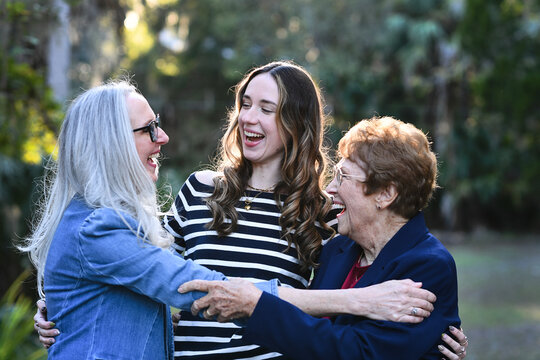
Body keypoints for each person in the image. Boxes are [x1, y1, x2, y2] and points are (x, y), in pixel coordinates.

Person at [33, 63, 467, 359]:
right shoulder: (199, 191)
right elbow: (144, 265)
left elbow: (347, 299)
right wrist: (59, 306)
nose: (248, 117)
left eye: (266, 108)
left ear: (294, 123)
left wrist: (429, 343)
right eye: (244, 103)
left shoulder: (322, 212)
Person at [18, 80, 278, 359]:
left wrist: (64, 304)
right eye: (149, 128)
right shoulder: (99, 227)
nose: (163, 137)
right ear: (112, 143)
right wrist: (322, 304)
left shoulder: (103, 221)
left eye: (158, 124)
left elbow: (135, 292)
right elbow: (187, 283)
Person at [179, 116, 467, 359]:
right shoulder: (338, 249)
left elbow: (357, 351)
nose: (330, 188)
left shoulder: (428, 265)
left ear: (385, 194)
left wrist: (257, 308)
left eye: (342, 177)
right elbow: (310, 319)